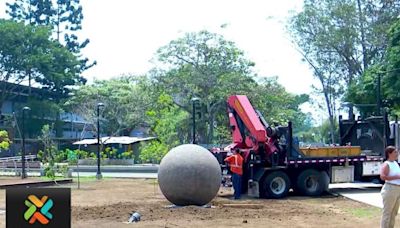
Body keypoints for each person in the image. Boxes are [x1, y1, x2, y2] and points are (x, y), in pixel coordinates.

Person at [380, 146, 400, 228]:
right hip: (390, 189)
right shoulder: (386, 164)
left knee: (394, 212)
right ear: (389, 153)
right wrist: (397, 177)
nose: (397, 154)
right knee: (387, 212)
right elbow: (383, 176)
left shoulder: (395, 163)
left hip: (397, 189)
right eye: (395, 152)